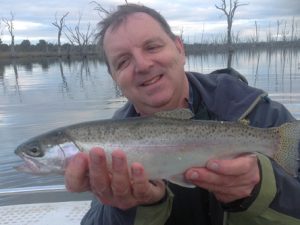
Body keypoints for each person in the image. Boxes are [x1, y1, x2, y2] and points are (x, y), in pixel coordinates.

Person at [65, 3, 300, 225]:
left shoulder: (256, 110)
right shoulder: (107, 142)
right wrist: (130, 209)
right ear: (115, 78)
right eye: (123, 61)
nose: (142, 65)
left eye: (152, 47)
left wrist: (261, 191)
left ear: (180, 48)